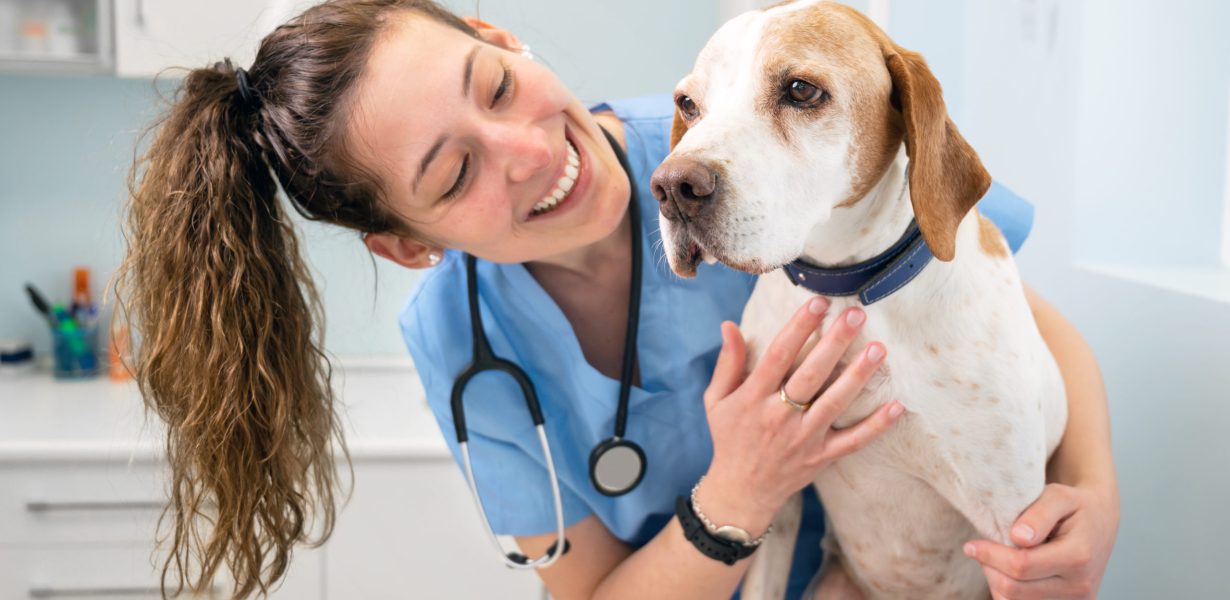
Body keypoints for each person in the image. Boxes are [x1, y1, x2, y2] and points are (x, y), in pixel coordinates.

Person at [117, 1, 1119, 598]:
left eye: (495, 86)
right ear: (408, 248)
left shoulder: (716, 150)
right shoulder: (465, 345)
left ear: (503, 38)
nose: (528, 150)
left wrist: (1096, 496)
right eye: (454, 171)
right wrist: (742, 489)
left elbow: (1010, 320)